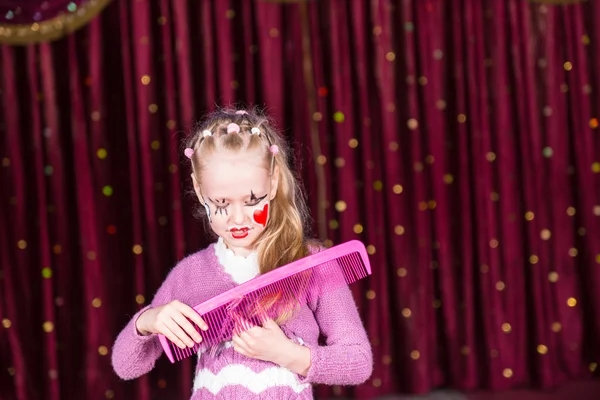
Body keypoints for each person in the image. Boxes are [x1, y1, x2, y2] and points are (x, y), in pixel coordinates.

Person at [111, 108, 373, 399]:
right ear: (200, 191)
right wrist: (147, 321)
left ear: (272, 183)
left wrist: (288, 354)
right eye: (221, 203)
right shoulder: (190, 275)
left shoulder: (311, 263)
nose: (238, 219)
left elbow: (358, 362)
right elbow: (125, 366)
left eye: (252, 200)